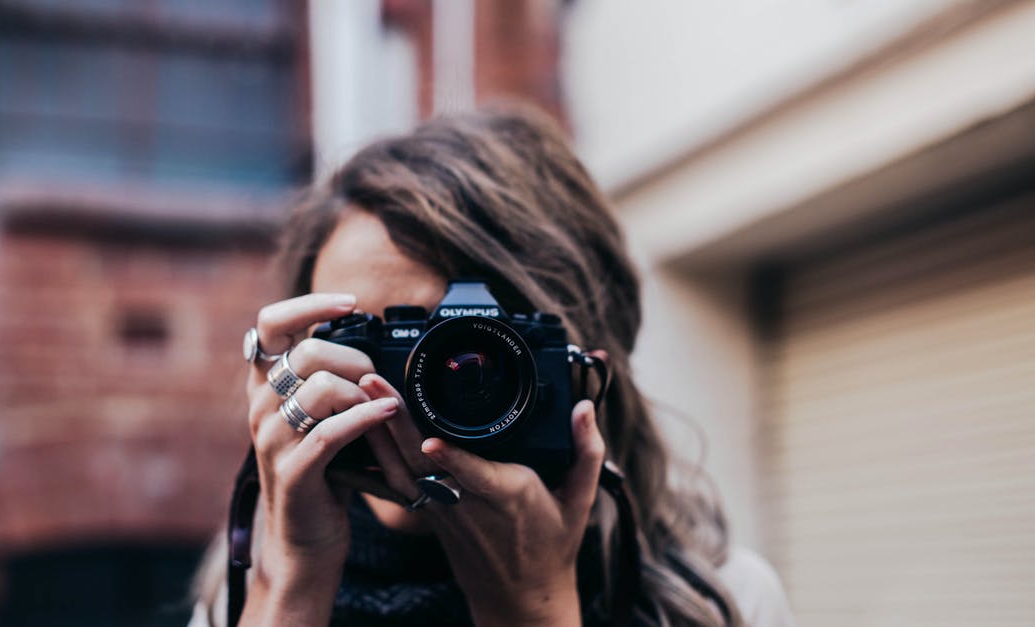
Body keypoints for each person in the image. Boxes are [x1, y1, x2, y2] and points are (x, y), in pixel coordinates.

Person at [189, 105, 794, 627]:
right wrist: (288, 585)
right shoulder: (242, 590)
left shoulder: (717, 600)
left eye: (466, 356)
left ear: (577, 371)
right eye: (371, 345)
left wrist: (532, 611)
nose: (395, 396)